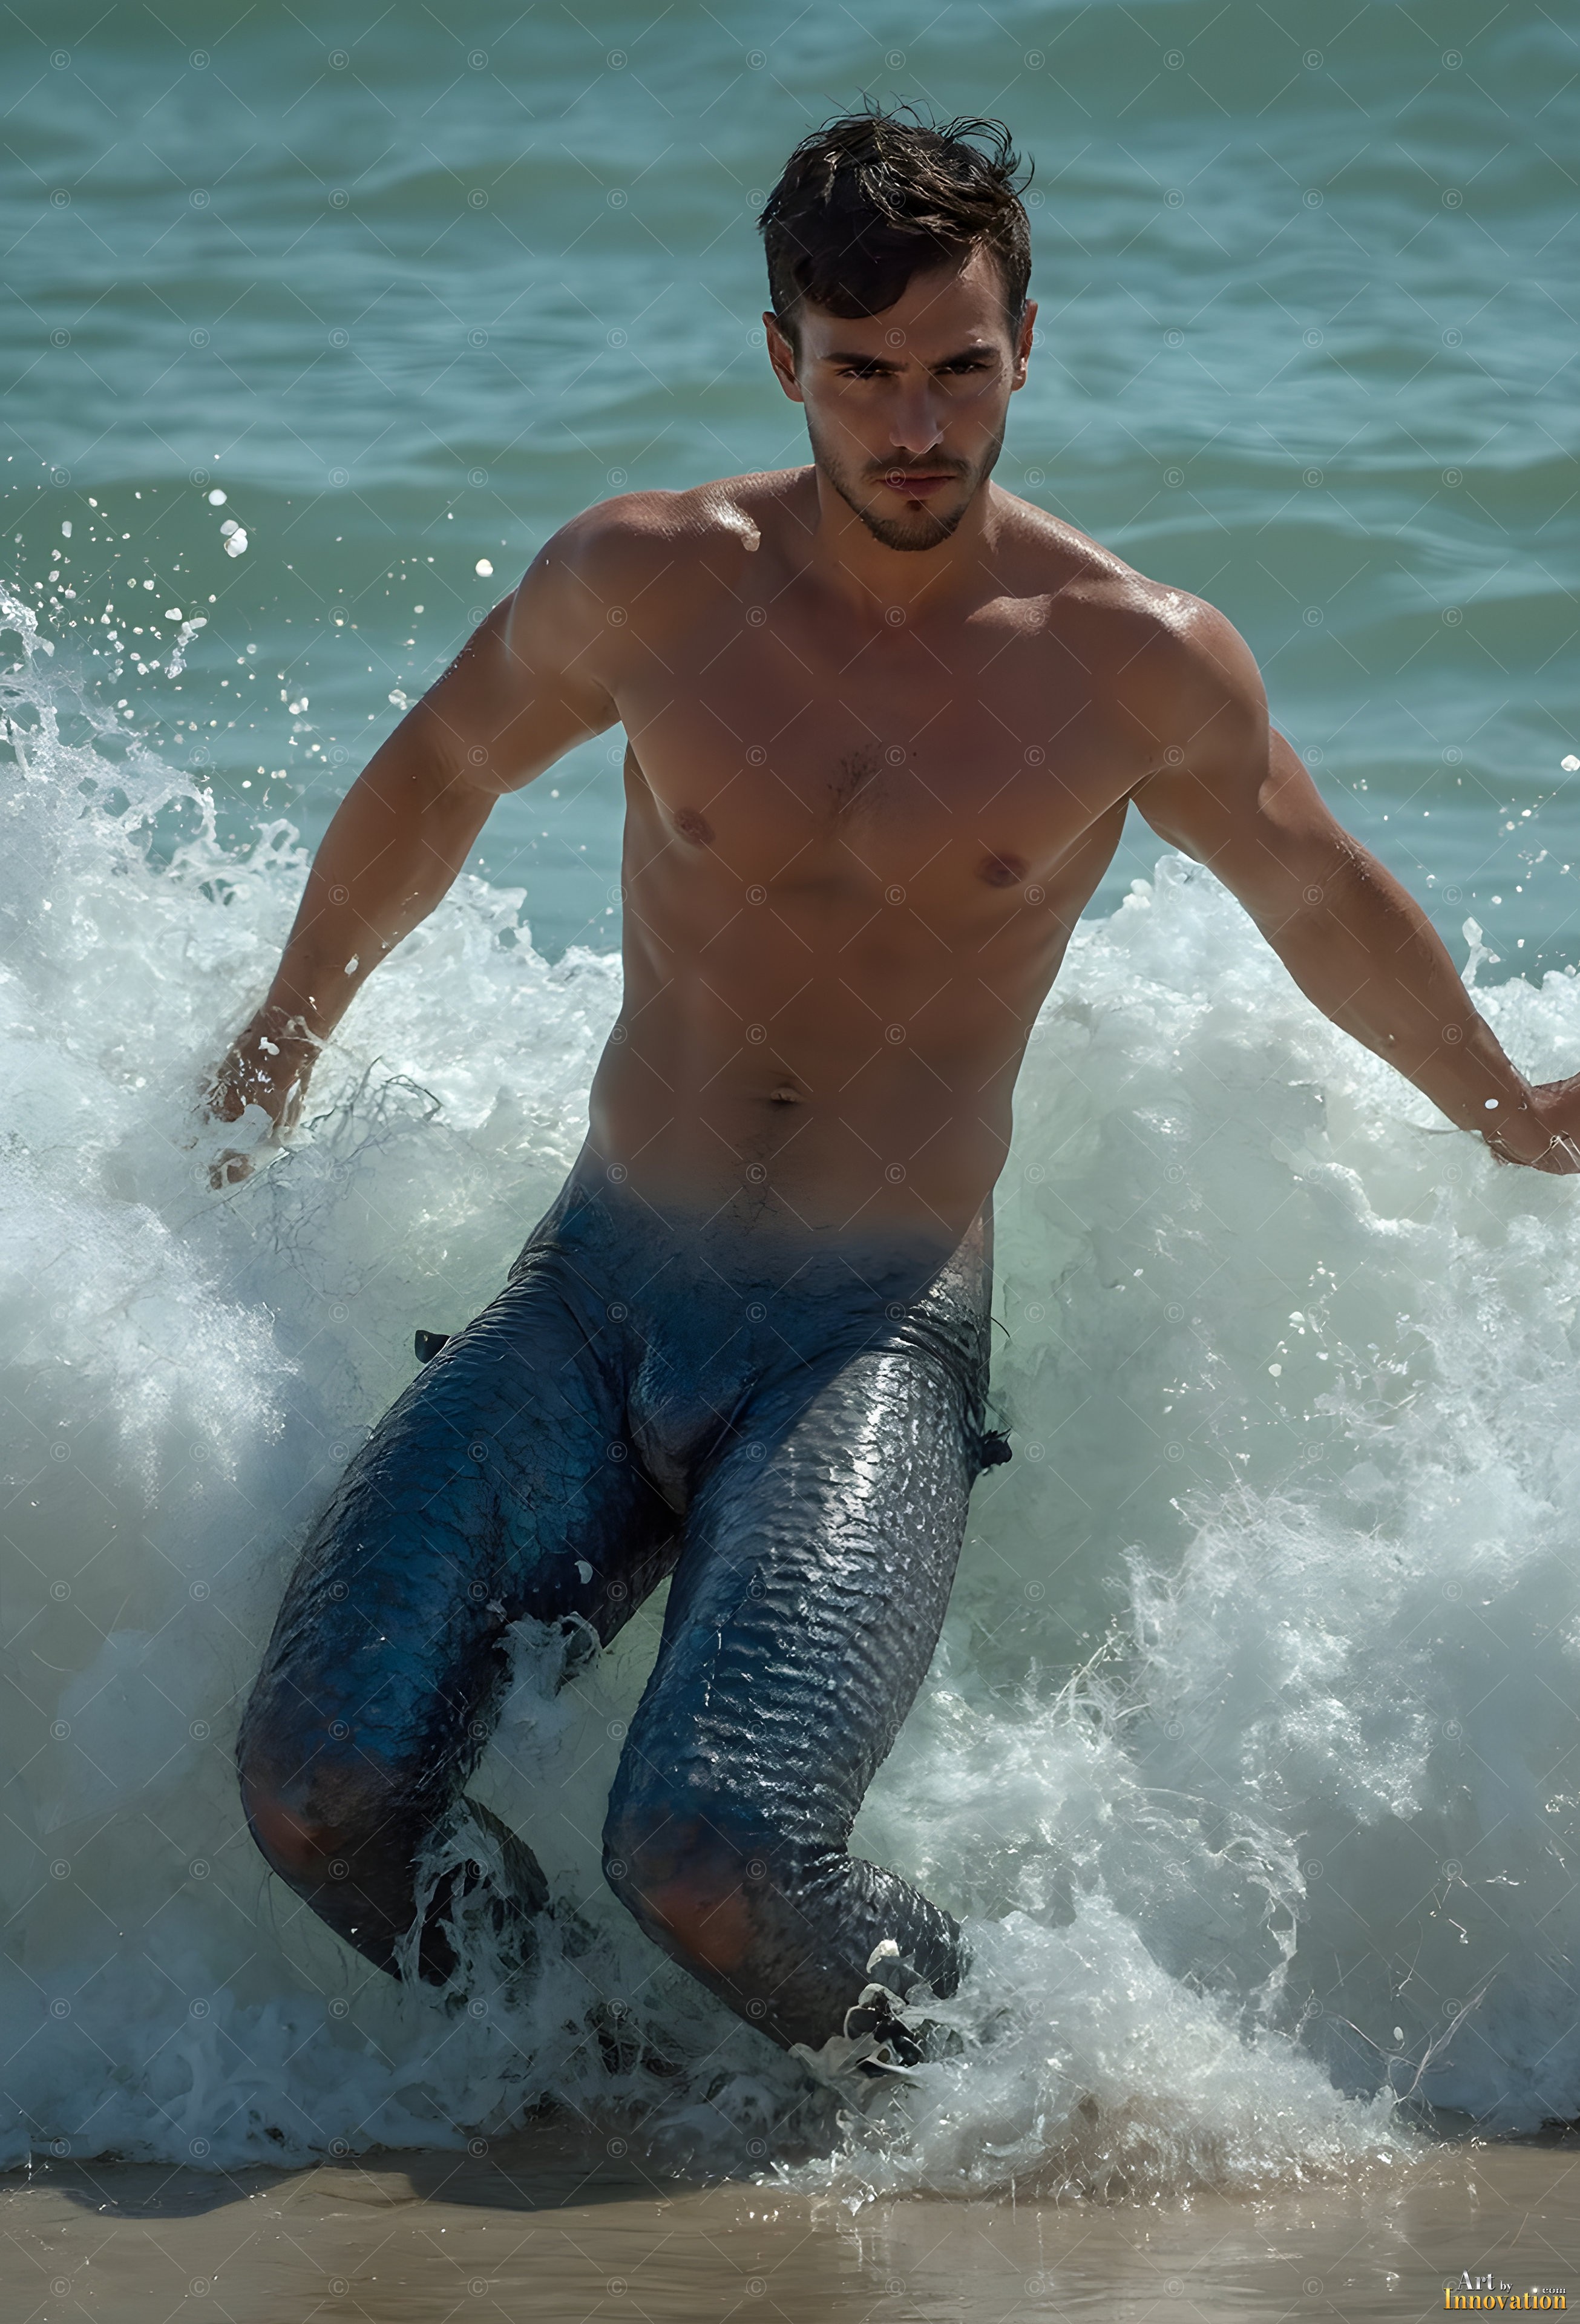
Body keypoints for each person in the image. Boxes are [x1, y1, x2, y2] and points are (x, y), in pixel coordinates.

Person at [216, 110, 1580, 2087]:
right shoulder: (645, 579)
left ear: (1028, 347)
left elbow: (1312, 894)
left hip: (864, 1332)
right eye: (862, 375)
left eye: (958, 367)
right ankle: (577, 2077)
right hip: (597, 1288)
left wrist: (1497, 1107)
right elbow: (440, 773)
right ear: (783, 359)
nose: (916, 426)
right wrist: (285, 1032)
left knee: (713, 1860)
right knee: (315, 1792)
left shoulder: (1131, 661)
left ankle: (1041, 2106)